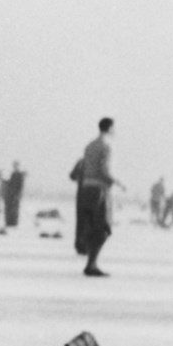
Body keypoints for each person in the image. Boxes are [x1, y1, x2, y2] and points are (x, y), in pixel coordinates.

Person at [75, 117, 120, 276]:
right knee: (103, 228)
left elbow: (82, 168)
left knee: (91, 226)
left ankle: (90, 262)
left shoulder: (89, 146)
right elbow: (104, 170)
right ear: (110, 128)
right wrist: (116, 182)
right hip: (99, 190)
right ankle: (91, 264)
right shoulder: (106, 146)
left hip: (86, 188)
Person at [3, 161, 26, 229]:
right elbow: (10, 183)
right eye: (14, 166)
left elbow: (20, 186)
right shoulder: (13, 174)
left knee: (14, 210)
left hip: (15, 195)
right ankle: (9, 223)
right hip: (10, 195)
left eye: (16, 166)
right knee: (9, 209)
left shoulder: (19, 175)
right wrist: (5, 182)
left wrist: (18, 194)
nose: (15, 167)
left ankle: (14, 223)